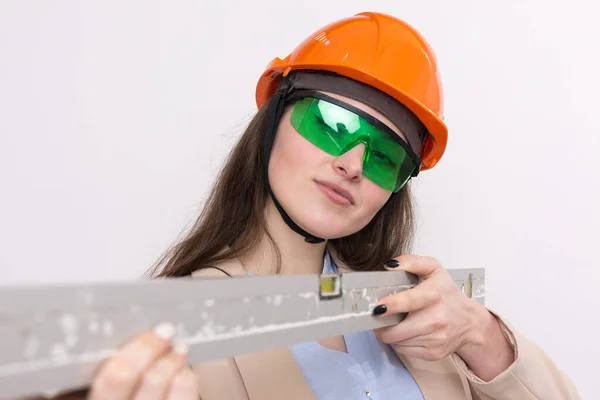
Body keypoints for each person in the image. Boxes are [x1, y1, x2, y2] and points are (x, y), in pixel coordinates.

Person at [49, 11, 579, 400]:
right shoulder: (170, 336)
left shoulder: (423, 312)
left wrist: (481, 334)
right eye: (332, 122)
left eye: (385, 155)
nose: (351, 163)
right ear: (274, 118)